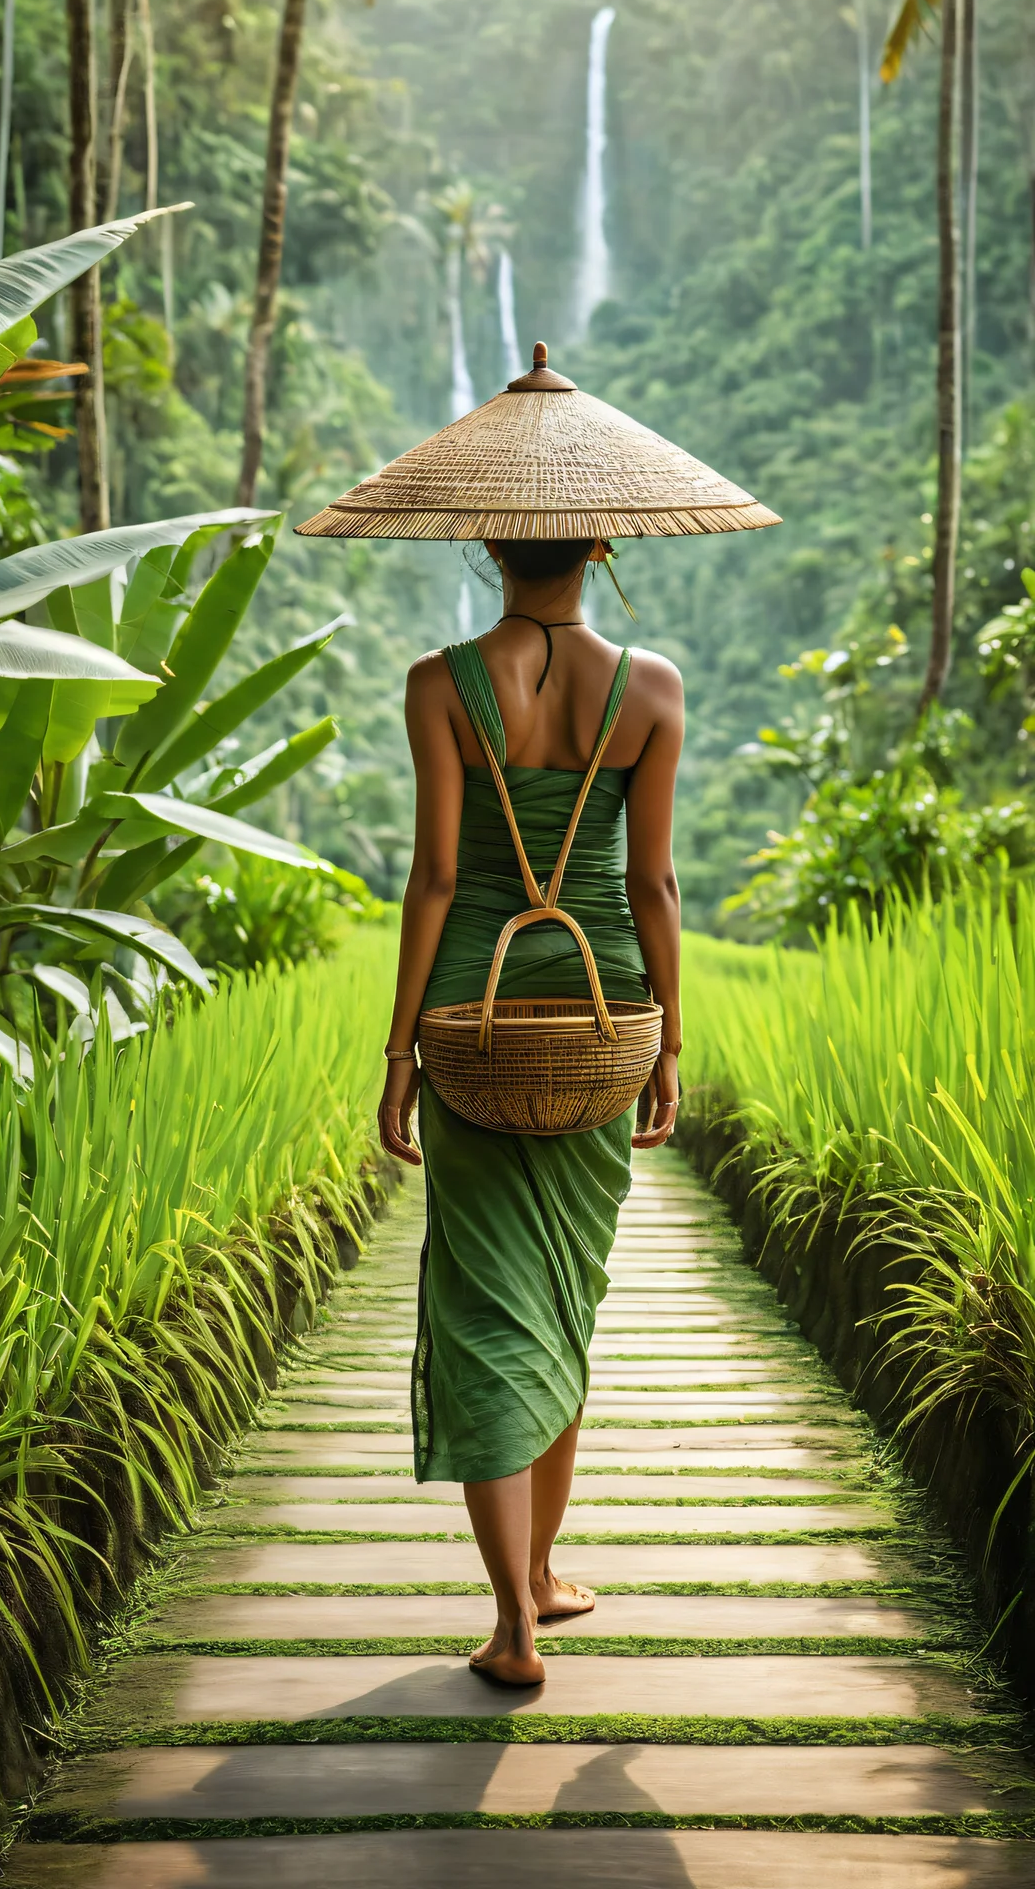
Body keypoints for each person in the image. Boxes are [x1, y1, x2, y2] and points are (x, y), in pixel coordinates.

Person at [378, 536, 684, 1687]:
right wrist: (670, 1038)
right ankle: (547, 1572)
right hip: (602, 1014)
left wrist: (401, 1049)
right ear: (601, 546)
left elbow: (438, 879)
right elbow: (651, 883)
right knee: (563, 1296)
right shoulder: (650, 689)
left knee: (484, 1303)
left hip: (475, 1016)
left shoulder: (438, 684)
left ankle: (513, 1617)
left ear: (489, 545)